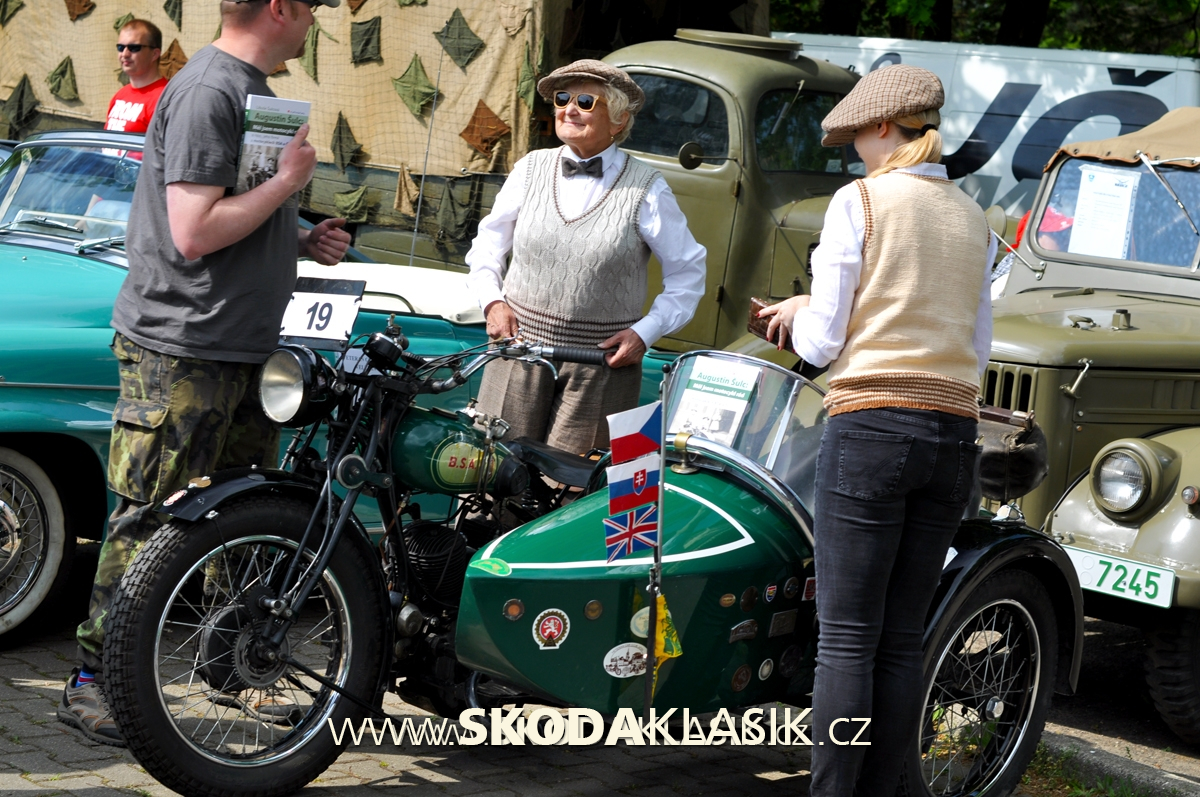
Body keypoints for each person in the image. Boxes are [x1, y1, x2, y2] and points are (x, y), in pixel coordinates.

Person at [58, 0, 350, 747]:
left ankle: (227, 664)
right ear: (279, 7)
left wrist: (298, 232)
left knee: (237, 520)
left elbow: (229, 207)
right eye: (311, 5)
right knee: (151, 515)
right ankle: (94, 681)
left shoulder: (246, 87)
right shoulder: (208, 91)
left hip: (239, 348)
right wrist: (286, 187)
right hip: (183, 347)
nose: (316, 19)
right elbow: (192, 232)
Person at [758, 64, 997, 796]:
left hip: (871, 429)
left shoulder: (859, 200)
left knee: (847, 642)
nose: (854, 146)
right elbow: (977, 349)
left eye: (858, 132)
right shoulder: (975, 217)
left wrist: (796, 312)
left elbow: (825, 342)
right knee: (900, 643)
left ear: (886, 128)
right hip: (954, 432)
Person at [465, 60, 706, 454]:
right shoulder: (530, 169)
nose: (569, 109)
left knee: (573, 491)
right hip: (517, 349)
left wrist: (644, 334)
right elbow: (488, 243)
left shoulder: (647, 188)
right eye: (562, 98)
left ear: (619, 120)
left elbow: (689, 273)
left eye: (585, 101)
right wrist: (492, 301)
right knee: (492, 472)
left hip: (601, 366)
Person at [105, 19, 167, 135]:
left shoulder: (165, 99)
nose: (125, 54)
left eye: (134, 48)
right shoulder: (120, 95)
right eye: (120, 47)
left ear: (154, 54)